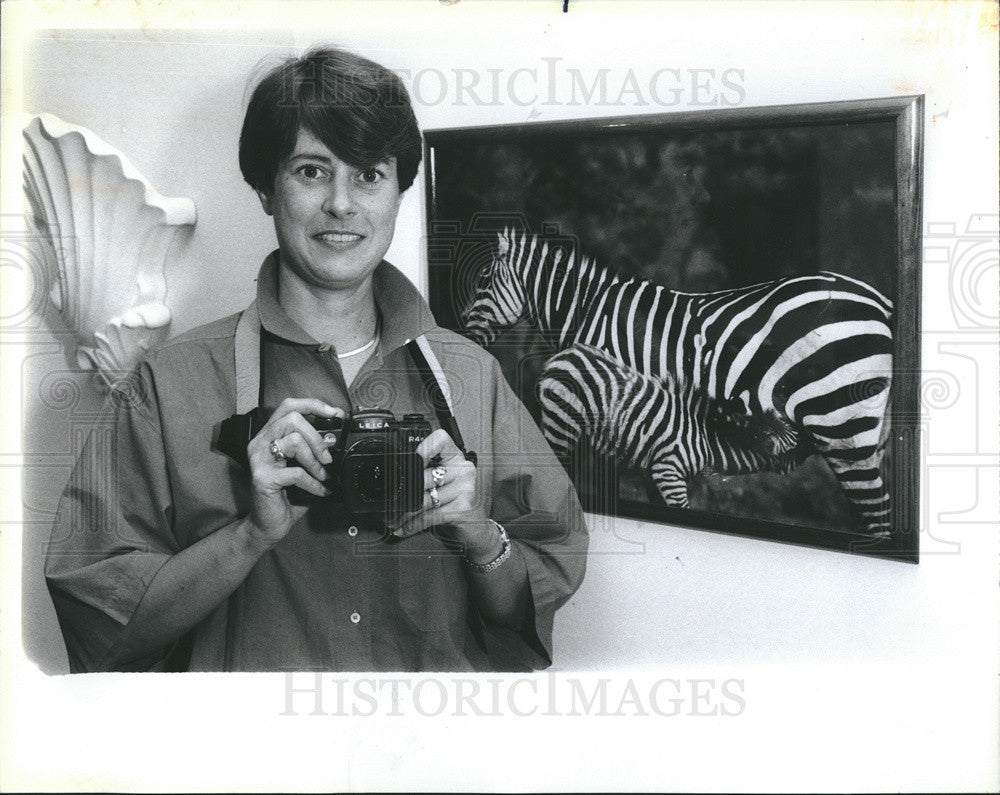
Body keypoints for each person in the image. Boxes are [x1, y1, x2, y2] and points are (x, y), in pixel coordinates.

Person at [44, 47, 588, 672]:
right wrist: (250, 534)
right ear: (265, 189)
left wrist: (478, 534)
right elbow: (101, 628)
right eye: (311, 171)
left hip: (425, 760)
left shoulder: (472, 377)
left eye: (368, 175)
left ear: (399, 191)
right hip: (252, 762)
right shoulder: (166, 387)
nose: (342, 204)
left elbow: (530, 598)